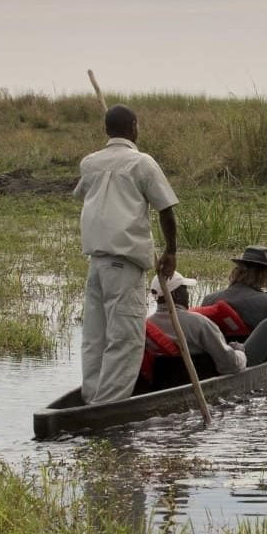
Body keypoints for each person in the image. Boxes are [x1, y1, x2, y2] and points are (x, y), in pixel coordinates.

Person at [74, 104, 178, 404]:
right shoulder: (141, 163)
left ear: (107, 130)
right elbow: (166, 209)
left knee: (96, 336)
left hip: (97, 263)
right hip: (123, 263)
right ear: (133, 127)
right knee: (126, 339)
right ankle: (107, 408)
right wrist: (171, 251)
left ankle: (92, 397)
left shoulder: (90, 163)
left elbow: (83, 193)